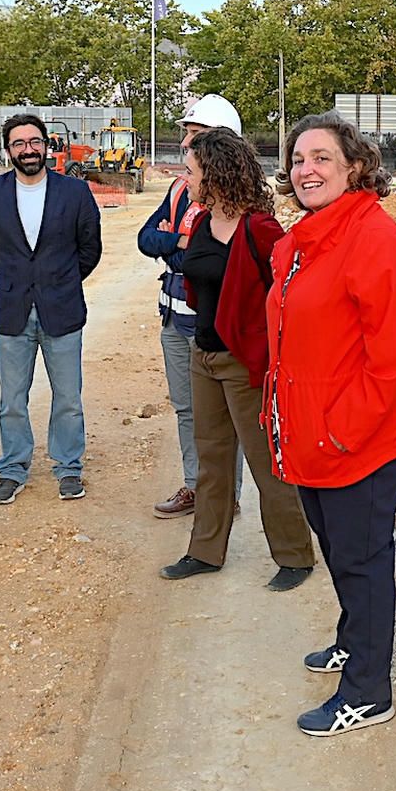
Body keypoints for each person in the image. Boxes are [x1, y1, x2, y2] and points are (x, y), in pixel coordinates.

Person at [265, 112, 396, 737]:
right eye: (298, 159)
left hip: (363, 435)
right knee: (334, 544)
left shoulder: (373, 238)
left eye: (321, 158)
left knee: (360, 556)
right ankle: (352, 639)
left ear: (354, 166)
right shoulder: (305, 237)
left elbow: (391, 357)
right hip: (313, 431)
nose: (306, 169)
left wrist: (340, 432)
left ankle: (368, 688)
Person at [158, 129, 316, 590]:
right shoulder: (204, 222)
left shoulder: (260, 229)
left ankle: (294, 557)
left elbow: (289, 296)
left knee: (266, 463)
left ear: (216, 175)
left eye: (190, 172)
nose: (183, 179)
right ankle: (205, 551)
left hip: (246, 363)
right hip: (202, 356)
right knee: (213, 461)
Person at [0, 114, 103, 504]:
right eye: (19, 143)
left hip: (62, 309)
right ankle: (13, 468)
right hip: (13, 310)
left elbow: (90, 248)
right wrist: (18, 280)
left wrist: (59, 280)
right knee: (12, 399)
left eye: (34, 142)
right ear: (8, 150)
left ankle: (68, 468)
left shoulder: (75, 192)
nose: (28, 149)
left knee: (68, 397)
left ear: (47, 145)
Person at [136, 93, 245, 518]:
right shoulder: (181, 187)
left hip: (213, 326)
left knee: (223, 419)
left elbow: (200, 261)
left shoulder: (237, 201)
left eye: (195, 135)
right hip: (173, 321)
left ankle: (225, 497)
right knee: (187, 411)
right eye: (186, 133)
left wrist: (177, 245)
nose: (185, 143)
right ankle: (195, 487)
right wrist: (178, 242)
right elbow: (147, 239)